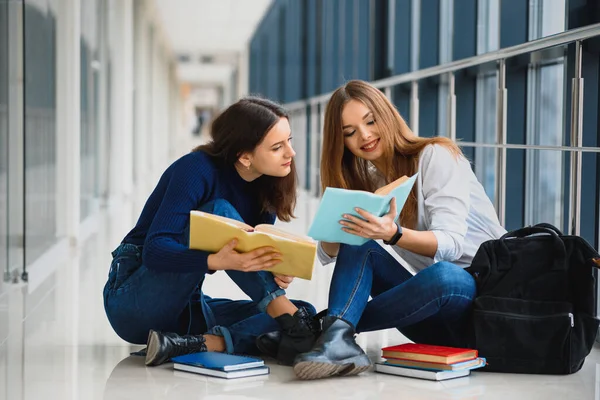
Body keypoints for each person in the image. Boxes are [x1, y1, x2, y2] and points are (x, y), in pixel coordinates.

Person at [293, 80, 506, 380]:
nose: (364, 136)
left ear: (387, 114)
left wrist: (392, 234)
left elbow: (452, 244)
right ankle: (337, 338)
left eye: (370, 121)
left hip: (478, 300)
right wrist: (339, 226)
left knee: (443, 274)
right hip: (427, 315)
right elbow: (327, 254)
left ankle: (321, 330)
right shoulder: (371, 181)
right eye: (350, 132)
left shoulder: (436, 156)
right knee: (359, 246)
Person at [103, 97, 319, 367]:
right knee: (219, 209)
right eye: (277, 147)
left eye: (290, 141)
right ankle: (290, 320)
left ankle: (196, 344)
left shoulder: (268, 189)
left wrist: (272, 268)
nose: (291, 153)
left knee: (306, 312)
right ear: (245, 156)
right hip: (135, 303)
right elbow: (155, 250)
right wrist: (215, 260)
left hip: (188, 310)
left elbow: (249, 262)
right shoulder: (196, 168)